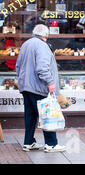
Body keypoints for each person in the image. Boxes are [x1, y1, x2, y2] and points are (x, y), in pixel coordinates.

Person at [16, 24, 66, 153]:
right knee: (47, 114)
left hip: (26, 87)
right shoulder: (42, 46)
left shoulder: (26, 44)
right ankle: (51, 144)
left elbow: (18, 65)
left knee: (30, 115)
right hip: (38, 87)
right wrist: (50, 82)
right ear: (46, 35)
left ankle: (29, 142)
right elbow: (42, 68)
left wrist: (23, 80)